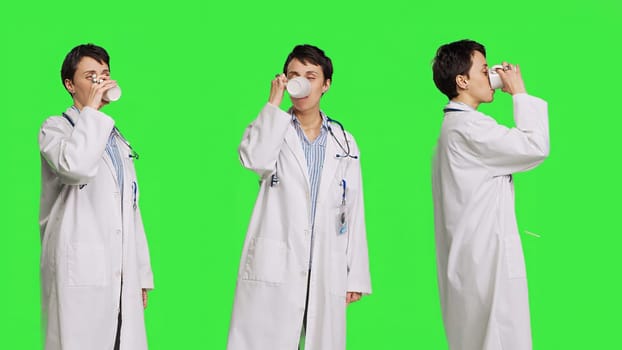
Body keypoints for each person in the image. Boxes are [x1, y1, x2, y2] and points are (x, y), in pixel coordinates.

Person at [227, 44, 371, 350]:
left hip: (325, 262)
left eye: (310, 75)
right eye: (294, 75)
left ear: (326, 84)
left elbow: (353, 208)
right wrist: (273, 105)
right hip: (276, 259)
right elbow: (255, 159)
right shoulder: (271, 127)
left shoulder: (344, 141)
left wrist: (356, 274)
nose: (301, 82)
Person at [431, 39, 549, 350]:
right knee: (497, 339)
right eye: (484, 70)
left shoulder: (456, 128)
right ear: (462, 81)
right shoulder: (469, 129)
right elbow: (535, 147)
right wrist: (519, 92)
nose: (491, 75)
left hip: (474, 261)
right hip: (486, 263)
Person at [39, 43, 154, 350]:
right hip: (79, 267)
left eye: (105, 74)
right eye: (91, 76)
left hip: (120, 271)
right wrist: (91, 112)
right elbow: (74, 167)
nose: (101, 82)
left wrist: (141, 273)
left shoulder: (115, 138)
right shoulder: (56, 129)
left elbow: (130, 208)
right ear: (69, 84)